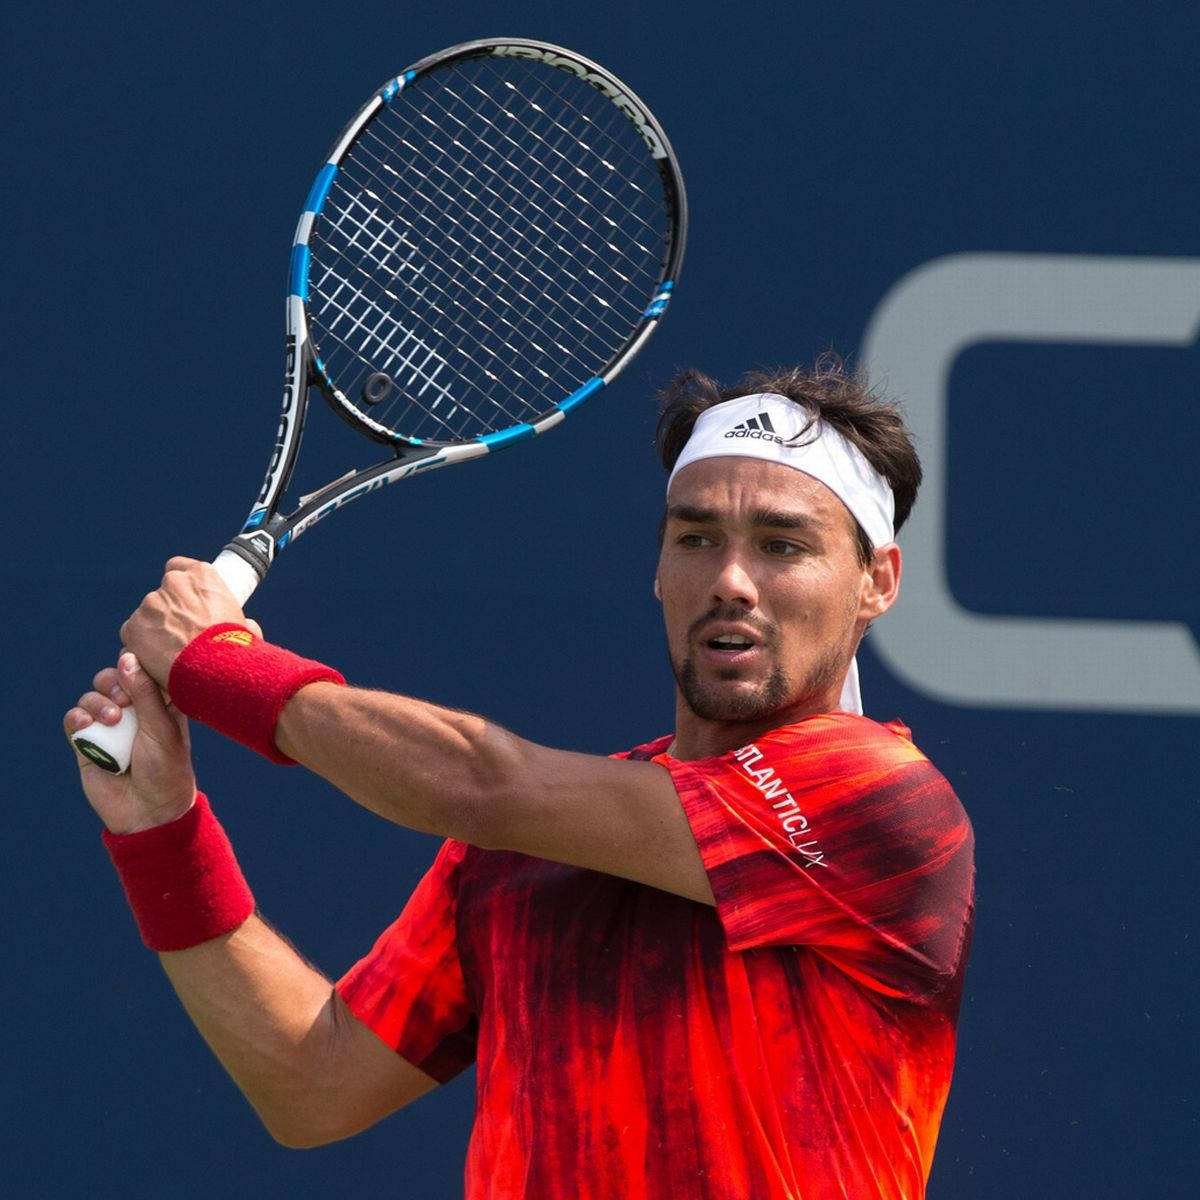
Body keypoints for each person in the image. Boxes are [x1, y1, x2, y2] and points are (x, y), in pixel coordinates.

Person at [65, 361, 975, 1200]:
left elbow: (483, 786)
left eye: (783, 546)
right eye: (696, 538)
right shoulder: (523, 854)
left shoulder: (879, 800)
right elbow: (313, 1086)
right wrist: (161, 830)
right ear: (659, 570)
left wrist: (216, 663)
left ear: (876, 583)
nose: (731, 579)